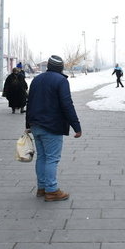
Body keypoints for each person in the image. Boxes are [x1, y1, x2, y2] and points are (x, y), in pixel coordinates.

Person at [25, 55, 82, 202]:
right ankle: (52, 190)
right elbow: (67, 104)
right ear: (60, 67)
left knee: (42, 157)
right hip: (52, 125)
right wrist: (76, 126)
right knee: (52, 158)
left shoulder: (36, 80)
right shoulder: (61, 81)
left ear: (49, 66)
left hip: (36, 125)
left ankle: (42, 187)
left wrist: (28, 125)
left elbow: (29, 102)